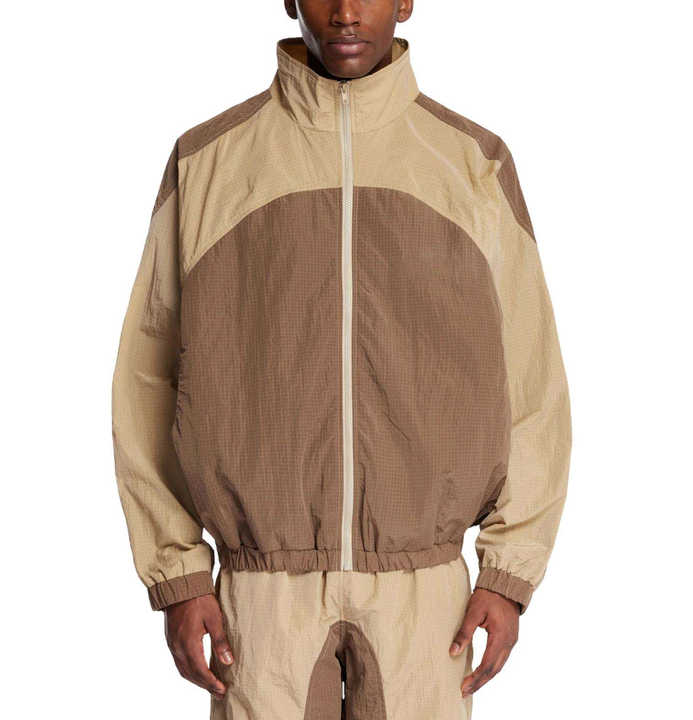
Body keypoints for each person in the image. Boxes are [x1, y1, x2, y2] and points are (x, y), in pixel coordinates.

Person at [111, 1, 572, 717]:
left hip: (426, 592)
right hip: (261, 592)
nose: (347, 12)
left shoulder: (474, 163)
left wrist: (508, 573)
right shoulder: (207, 160)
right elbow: (148, 377)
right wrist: (179, 574)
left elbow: (531, 375)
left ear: (405, 1)